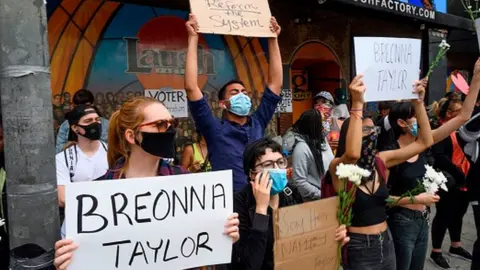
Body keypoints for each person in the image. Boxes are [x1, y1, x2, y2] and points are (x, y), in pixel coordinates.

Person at [53, 97, 240, 270]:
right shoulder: (97, 195)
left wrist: (223, 236)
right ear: (132, 136)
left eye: (171, 123)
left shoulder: (187, 184)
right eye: (159, 124)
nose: (169, 130)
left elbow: (201, 244)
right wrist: (69, 259)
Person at [330, 75, 434, 270]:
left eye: (373, 129)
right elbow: (352, 154)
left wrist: (418, 104)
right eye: (365, 130)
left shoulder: (380, 160)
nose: (372, 133)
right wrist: (357, 103)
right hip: (359, 247)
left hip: (386, 242)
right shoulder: (339, 168)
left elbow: (425, 142)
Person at [185, 14, 283, 192]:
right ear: (223, 103)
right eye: (235, 92)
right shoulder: (214, 129)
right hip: (230, 205)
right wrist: (193, 38)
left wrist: (273, 39)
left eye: (244, 92)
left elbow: (275, 84)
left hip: (261, 196)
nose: (242, 96)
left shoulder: (257, 122)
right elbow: (192, 87)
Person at [231, 138, 349, 269]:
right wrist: (261, 210)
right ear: (252, 173)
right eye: (268, 164)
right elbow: (250, 264)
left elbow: (306, 243)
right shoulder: (239, 203)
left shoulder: (291, 194)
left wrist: (332, 239)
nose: (276, 169)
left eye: (280, 162)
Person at [56, 105, 108, 239]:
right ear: (75, 128)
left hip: (110, 227)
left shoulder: (113, 154)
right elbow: (62, 199)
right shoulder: (63, 159)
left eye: (97, 119)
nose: (95, 124)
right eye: (88, 121)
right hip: (76, 231)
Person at [291, 109, 334, 201]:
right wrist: (322, 195)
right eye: (323, 121)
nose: (326, 124)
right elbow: (299, 182)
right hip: (315, 201)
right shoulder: (301, 148)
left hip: (330, 196)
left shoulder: (323, 141)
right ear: (314, 126)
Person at [56, 89, 109, 153]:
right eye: (79, 106)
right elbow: (58, 149)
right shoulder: (66, 125)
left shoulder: (106, 124)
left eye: (86, 105)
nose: (83, 109)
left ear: (92, 104)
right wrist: (66, 146)